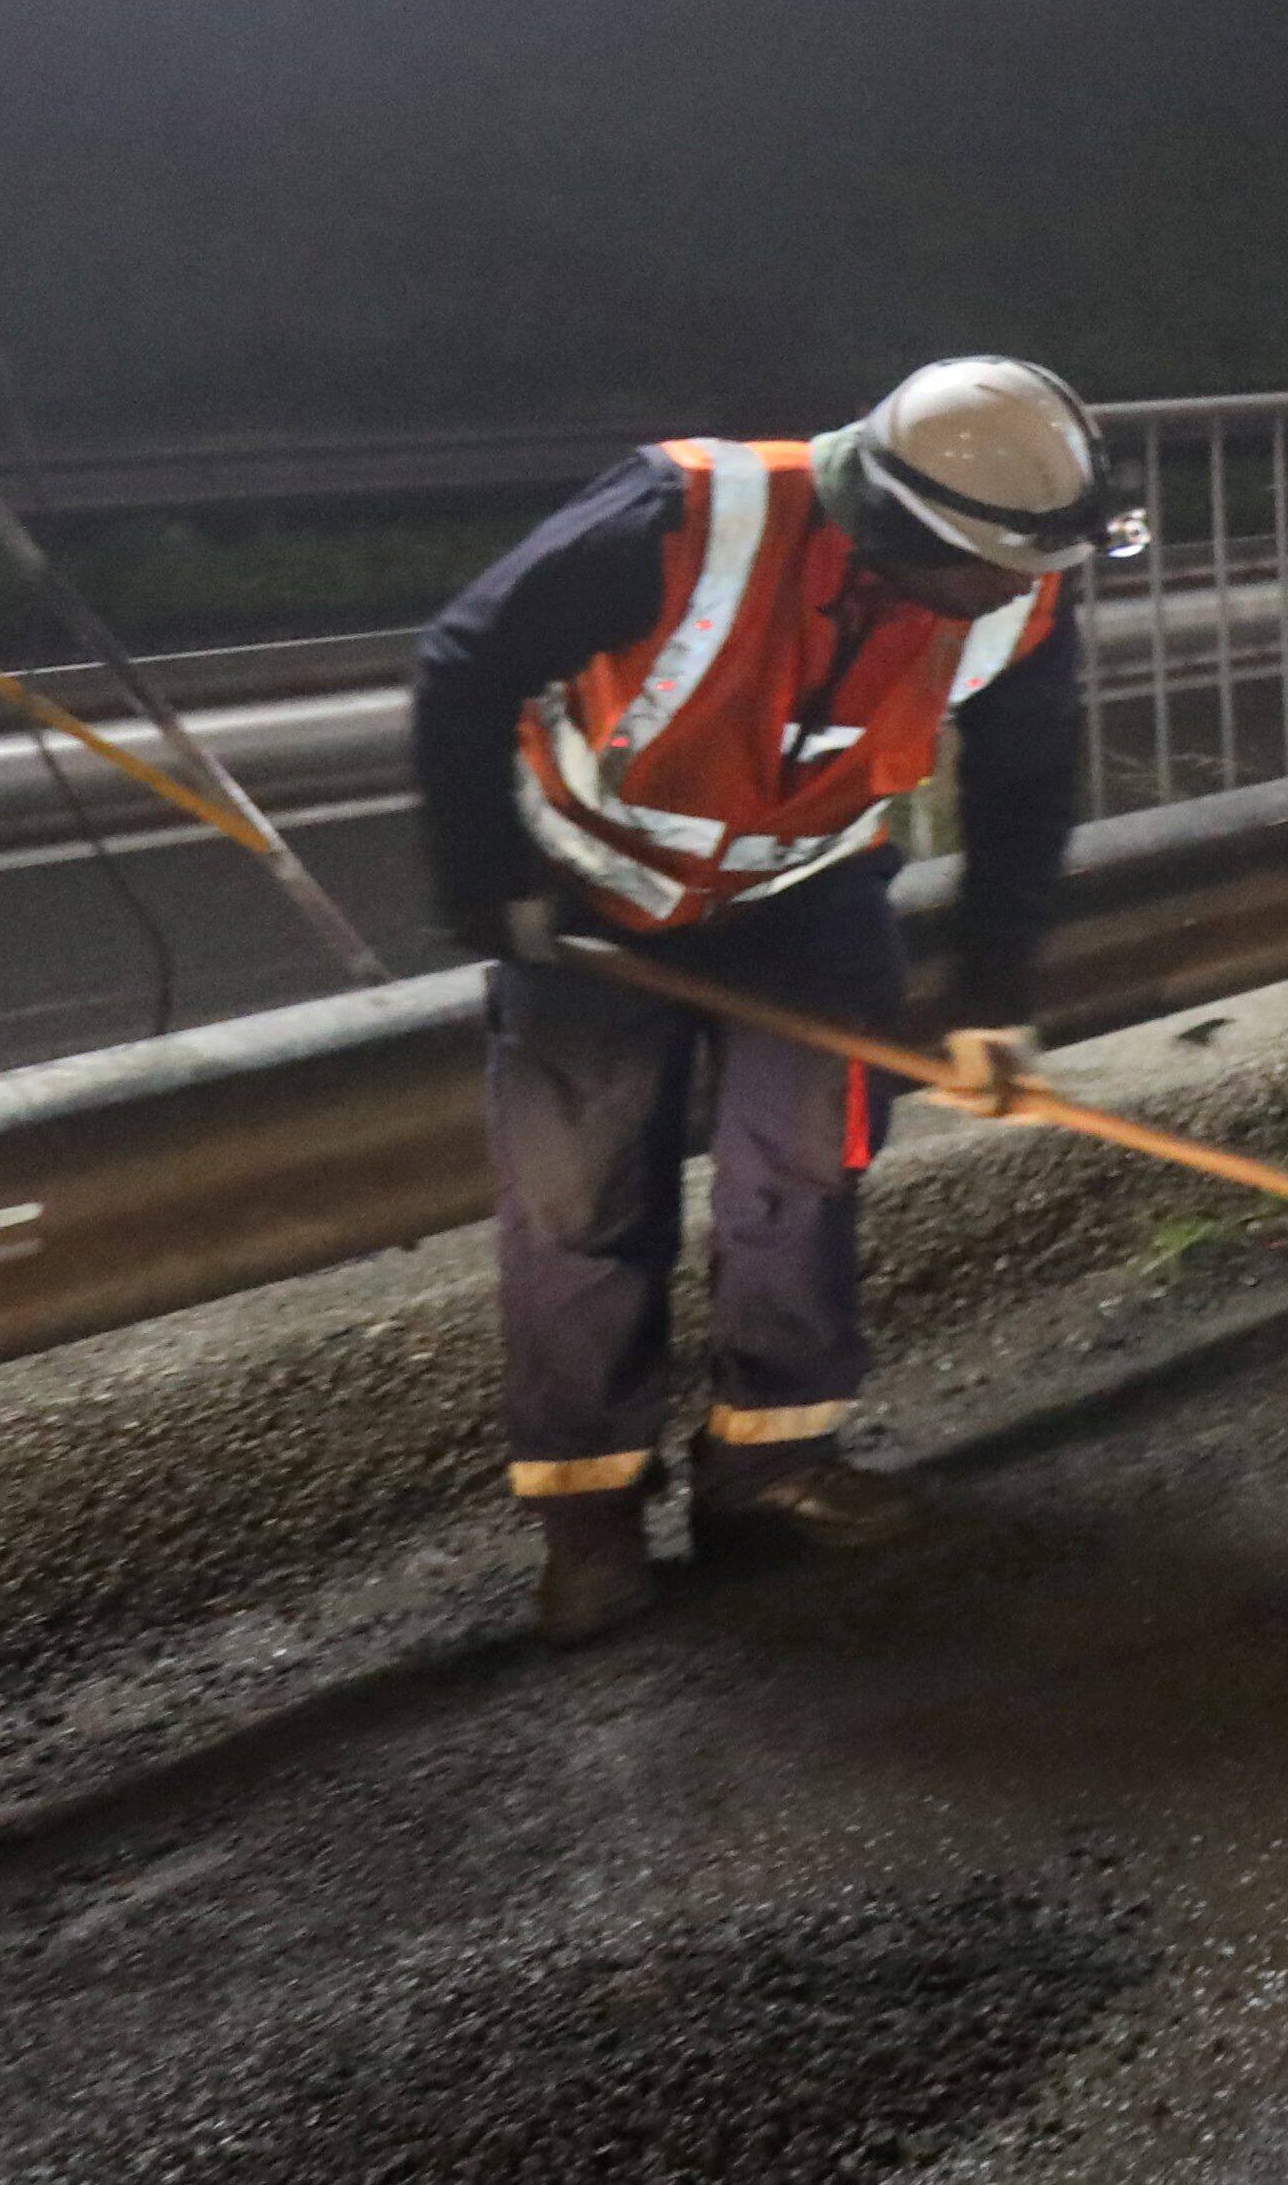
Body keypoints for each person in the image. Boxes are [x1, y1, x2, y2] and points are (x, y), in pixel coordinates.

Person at [413, 356, 1125, 1643]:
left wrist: (994, 998)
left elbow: (1027, 792)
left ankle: (772, 1466)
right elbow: (464, 663)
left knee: (802, 1178)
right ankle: (589, 1520)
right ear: (898, 529)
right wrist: (491, 888)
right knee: (579, 1209)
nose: (1024, 594)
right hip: (592, 903)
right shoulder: (680, 521)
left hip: (810, 893)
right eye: (996, 571)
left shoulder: (1020, 592)